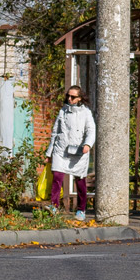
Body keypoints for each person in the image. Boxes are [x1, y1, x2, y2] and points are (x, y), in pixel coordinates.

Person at [47, 85, 96, 220]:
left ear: (79, 98)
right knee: (57, 176)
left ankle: (81, 209)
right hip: (61, 149)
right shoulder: (63, 111)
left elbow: (91, 130)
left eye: (73, 97)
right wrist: (49, 153)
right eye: (68, 96)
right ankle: (54, 206)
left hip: (79, 150)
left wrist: (87, 144)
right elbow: (55, 131)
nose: (69, 98)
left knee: (80, 181)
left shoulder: (86, 112)